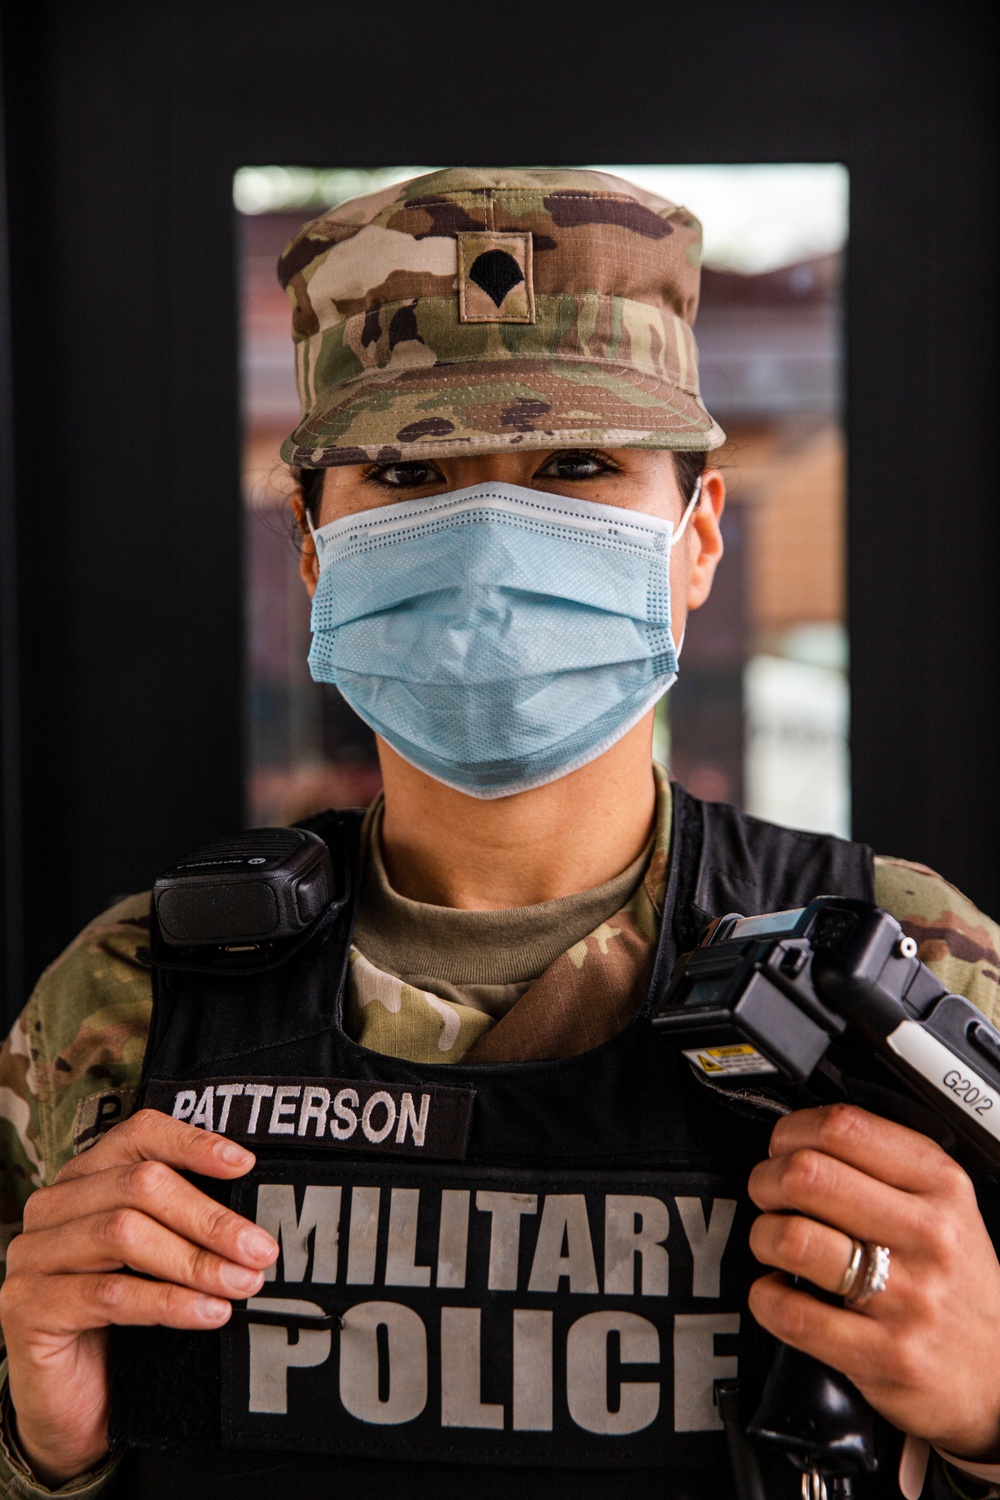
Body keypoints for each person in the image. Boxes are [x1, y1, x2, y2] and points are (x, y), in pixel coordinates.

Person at [0, 168, 999, 1500]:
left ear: (696, 541)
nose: (484, 538)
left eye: (578, 464)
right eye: (409, 472)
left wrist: (992, 1408)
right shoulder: (122, 1003)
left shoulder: (914, 974)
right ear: (312, 546)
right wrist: (37, 1442)